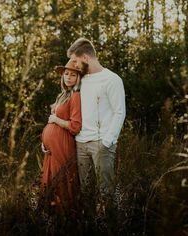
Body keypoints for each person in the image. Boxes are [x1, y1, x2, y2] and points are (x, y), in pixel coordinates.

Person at [67, 38, 126, 220]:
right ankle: (91, 226)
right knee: (86, 193)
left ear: (85, 57)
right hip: (81, 144)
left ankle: (113, 226)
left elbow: (119, 112)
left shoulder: (112, 79)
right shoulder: (81, 80)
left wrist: (107, 142)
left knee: (106, 192)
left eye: (76, 61)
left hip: (102, 144)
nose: (73, 66)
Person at [39, 59, 82, 217]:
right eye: (66, 74)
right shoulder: (63, 95)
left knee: (61, 181)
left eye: (73, 74)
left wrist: (56, 120)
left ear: (78, 78)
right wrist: (44, 142)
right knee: (50, 181)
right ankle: (51, 220)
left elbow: (75, 126)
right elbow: (52, 123)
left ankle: (66, 219)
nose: (68, 77)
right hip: (51, 148)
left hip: (63, 145)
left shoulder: (76, 96)